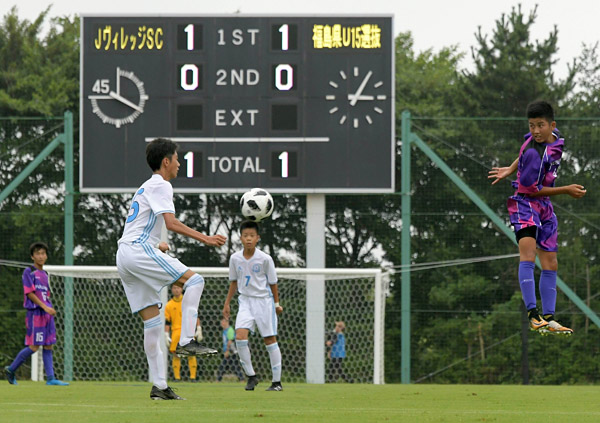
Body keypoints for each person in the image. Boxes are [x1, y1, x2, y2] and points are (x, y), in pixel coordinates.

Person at [116, 138, 226, 400]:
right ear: (166, 162)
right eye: (177, 158)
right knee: (196, 280)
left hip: (125, 255)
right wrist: (207, 238)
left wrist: (158, 244)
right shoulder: (162, 184)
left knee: (153, 324)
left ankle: (160, 386)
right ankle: (187, 340)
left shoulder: (146, 187)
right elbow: (172, 222)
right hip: (138, 252)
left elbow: (141, 225)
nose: (179, 163)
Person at [488, 100, 586, 335]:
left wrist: (511, 168)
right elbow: (530, 187)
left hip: (544, 207)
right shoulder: (535, 153)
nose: (535, 131)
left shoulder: (557, 139)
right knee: (528, 256)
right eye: (531, 126)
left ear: (552, 125)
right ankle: (533, 315)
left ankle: (550, 318)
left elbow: (523, 147)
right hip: (525, 204)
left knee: (551, 263)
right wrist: (566, 189)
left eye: (540, 125)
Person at [223, 220, 284, 391]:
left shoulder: (265, 259)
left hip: (264, 301)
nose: (248, 239)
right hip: (245, 301)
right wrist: (227, 303)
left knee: (269, 339)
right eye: (245, 236)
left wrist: (277, 304)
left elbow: (273, 283)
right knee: (240, 336)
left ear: (258, 238)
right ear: (240, 238)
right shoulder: (235, 258)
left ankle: (276, 382)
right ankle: (251, 376)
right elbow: (234, 282)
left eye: (252, 236)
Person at [4, 242, 69, 386]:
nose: (41, 256)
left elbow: (46, 294)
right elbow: (30, 293)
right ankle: (11, 369)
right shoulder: (29, 271)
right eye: (38, 253)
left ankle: (51, 378)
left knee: (48, 345)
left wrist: (49, 308)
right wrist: (45, 307)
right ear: (32, 256)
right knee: (34, 346)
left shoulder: (45, 274)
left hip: (47, 314)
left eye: (43, 253)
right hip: (36, 313)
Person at [164, 283, 203, 382]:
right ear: (172, 290)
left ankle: (193, 377)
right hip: (176, 331)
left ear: (181, 289)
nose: (176, 290)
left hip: (188, 330)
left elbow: (195, 315)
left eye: (178, 287)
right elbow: (167, 322)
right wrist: (166, 334)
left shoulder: (188, 302)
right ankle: (177, 378)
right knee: (176, 354)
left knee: (191, 353)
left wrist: (198, 328)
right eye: (174, 288)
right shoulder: (169, 305)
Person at [216, 318, 245, 382]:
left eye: (223, 322)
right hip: (230, 352)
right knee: (233, 367)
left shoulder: (230, 330)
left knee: (224, 366)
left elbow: (230, 341)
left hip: (231, 352)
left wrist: (227, 351)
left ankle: (218, 380)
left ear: (227, 322)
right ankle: (242, 379)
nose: (221, 324)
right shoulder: (225, 330)